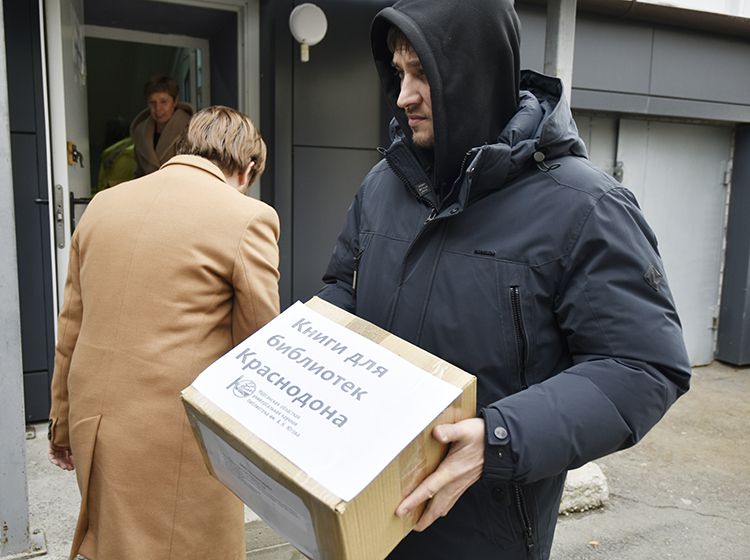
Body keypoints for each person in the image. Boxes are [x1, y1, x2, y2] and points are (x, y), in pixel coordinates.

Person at [318, 0, 692, 558]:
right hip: (362, 514)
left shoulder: (586, 206)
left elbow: (642, 366)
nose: (403, 96)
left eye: (422, 73)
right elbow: (341, 289)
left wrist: (499, 437)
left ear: (474, 72)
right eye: (398, 73)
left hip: (484, 533)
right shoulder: (382, 184)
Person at [47, 106, 280, 560]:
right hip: (179, 438)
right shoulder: (248, 217)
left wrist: (61, 420)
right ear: (248, 167)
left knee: (115, 545)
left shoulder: (102, 205)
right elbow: (258, 345)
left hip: (97, 424)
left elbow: (71, 323)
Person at [130, 75, 193, 176]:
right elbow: (139, 172)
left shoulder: (191, 129)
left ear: (175, 102)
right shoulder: (140, 133)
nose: (158, 108)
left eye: (164, 102)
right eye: (152, 103)